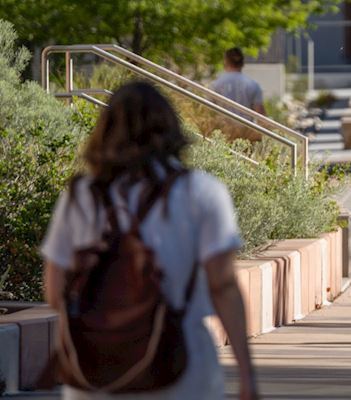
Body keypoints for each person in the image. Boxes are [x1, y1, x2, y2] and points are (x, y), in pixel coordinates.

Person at [40, 81, 259, 399]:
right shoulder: (202, 192)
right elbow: (222, 285)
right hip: (180, 368)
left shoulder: (80, 195)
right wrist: (246, 373)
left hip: (94, 374)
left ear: (105, 131)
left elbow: (54, 290)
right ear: (170, 127)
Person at [210, 48, 265, 114]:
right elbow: (259, 113)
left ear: (225, 62)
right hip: (246, 124)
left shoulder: (215, 84)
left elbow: (208, 111)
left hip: (221, 124)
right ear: (242, 63)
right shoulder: (253, 85)